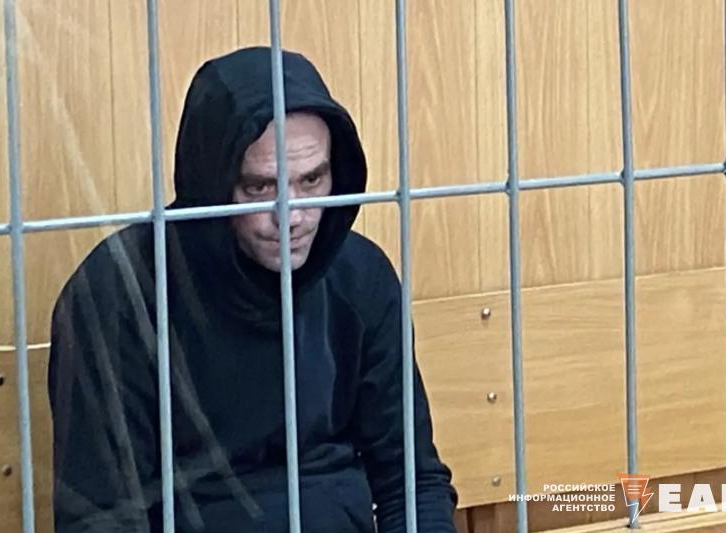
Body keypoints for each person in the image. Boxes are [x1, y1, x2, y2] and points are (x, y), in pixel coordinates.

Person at [47, 46, 458, 532]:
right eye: (261, 187)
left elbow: (412, 481)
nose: (293, 215)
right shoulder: (117, 295)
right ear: (211, 183)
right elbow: (100, 520)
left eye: (313, 180)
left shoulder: (359, 276)